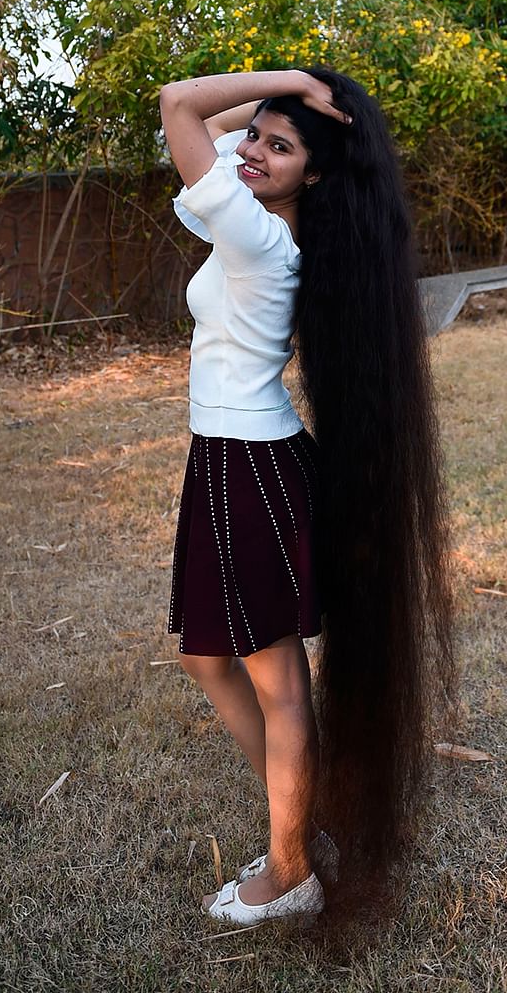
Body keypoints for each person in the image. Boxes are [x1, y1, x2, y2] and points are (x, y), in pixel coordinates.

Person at [159, 66, 455, 926]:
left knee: (277, 681)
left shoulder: (255, 238)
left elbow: (182, 104)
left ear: (313, 176)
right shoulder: (262, 219)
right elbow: (212, 136)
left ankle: (291, 870)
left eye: (278, 147)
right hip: (230, 458)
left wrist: (295, 80)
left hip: (246, 467)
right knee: (205, 657)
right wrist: (300, 115)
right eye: (257, 136)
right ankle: (306, 815)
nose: (250, 149)